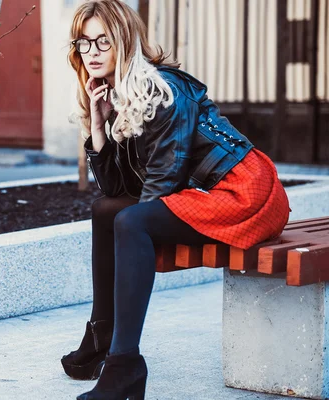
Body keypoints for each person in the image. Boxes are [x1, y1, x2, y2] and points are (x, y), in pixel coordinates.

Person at [59, 1, 291, 399]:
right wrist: (98, 125)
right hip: (213, 193)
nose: (93, 52)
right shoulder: (118, 93)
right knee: (107, 211)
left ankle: (124, 365)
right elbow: (115, 192)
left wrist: (135, 231)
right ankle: (102, 334)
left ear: (124, 43)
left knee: (130, 221)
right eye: (84, 43)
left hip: (248, 192)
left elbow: (161, 183)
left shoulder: (162, 90)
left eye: (103, 41)